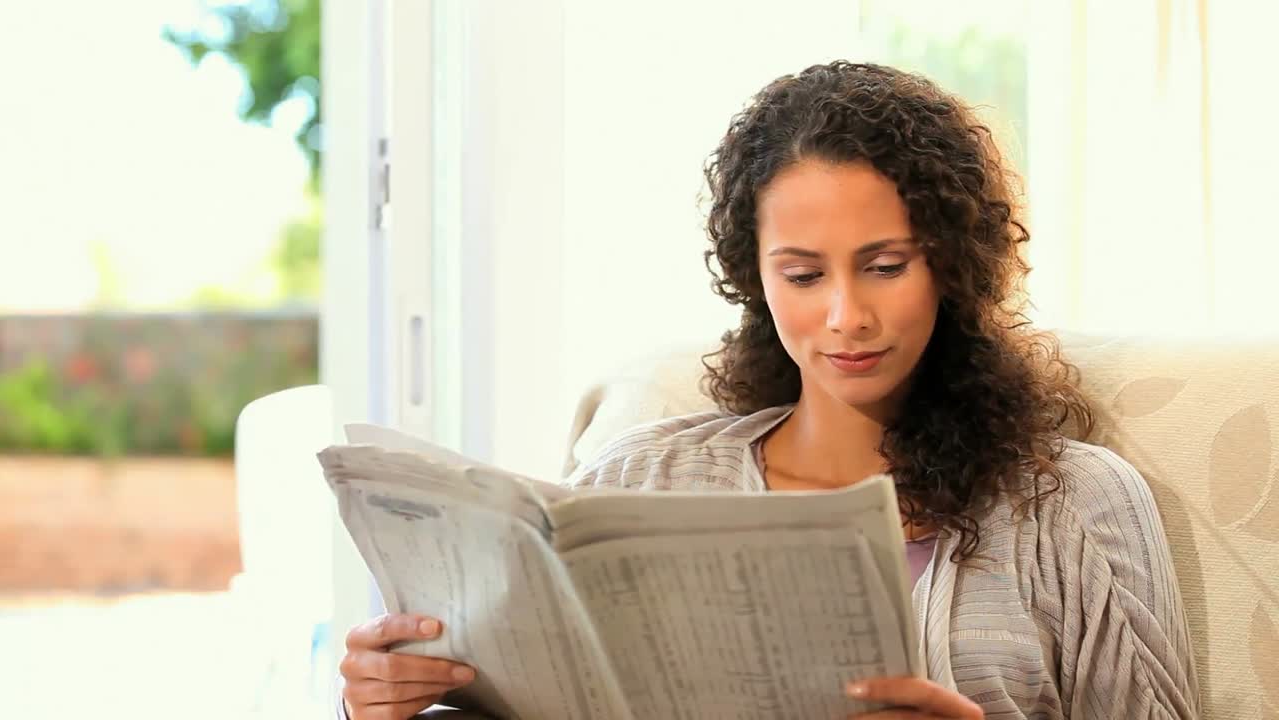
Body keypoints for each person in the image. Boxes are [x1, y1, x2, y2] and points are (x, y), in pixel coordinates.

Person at [337, 61, 1200, 719]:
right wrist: (389, 697)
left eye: (885, 267)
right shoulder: (638, 480)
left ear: (952, 266)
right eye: (801, 274)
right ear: (756, 279)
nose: (843, 316)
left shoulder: (1073, 505)